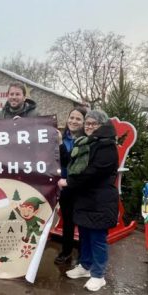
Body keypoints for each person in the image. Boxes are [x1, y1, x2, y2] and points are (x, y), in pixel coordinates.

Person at [57, 110, 118, 291]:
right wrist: (60, 144)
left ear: (102, 125)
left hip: (100, 199)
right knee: (84, 234)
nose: (89, 126)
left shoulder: (106, 146)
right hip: (84, 198)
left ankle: (98, 275)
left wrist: (69, 182)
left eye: (94, 123)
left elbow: (93, 172)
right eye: (88, 123)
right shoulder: (86, 142)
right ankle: (85, 266)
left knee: (97, 238)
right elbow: (70, 162)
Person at [55, 106, 88, 265]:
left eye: (78, 119)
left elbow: (70, 162)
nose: (74, 121)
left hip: (79, 186)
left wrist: (60, 144)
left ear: (84, 122)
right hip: (64, 186)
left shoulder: (85, 141)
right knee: (67, 221)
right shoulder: (62, 136)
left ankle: (83, 255)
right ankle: (66, 252)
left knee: (81, 222)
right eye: (72, 117)